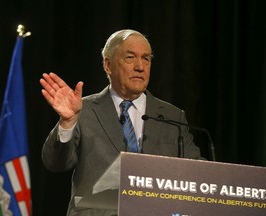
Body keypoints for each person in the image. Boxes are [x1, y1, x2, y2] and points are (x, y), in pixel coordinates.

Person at [40, 29, 202, 216]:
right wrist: (68, 122)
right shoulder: (83, 110)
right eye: (130, 58)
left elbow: (196, 172)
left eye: (146, 58)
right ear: (108, 65)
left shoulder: (172, 116)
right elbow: (55, 163)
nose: (140, 67)